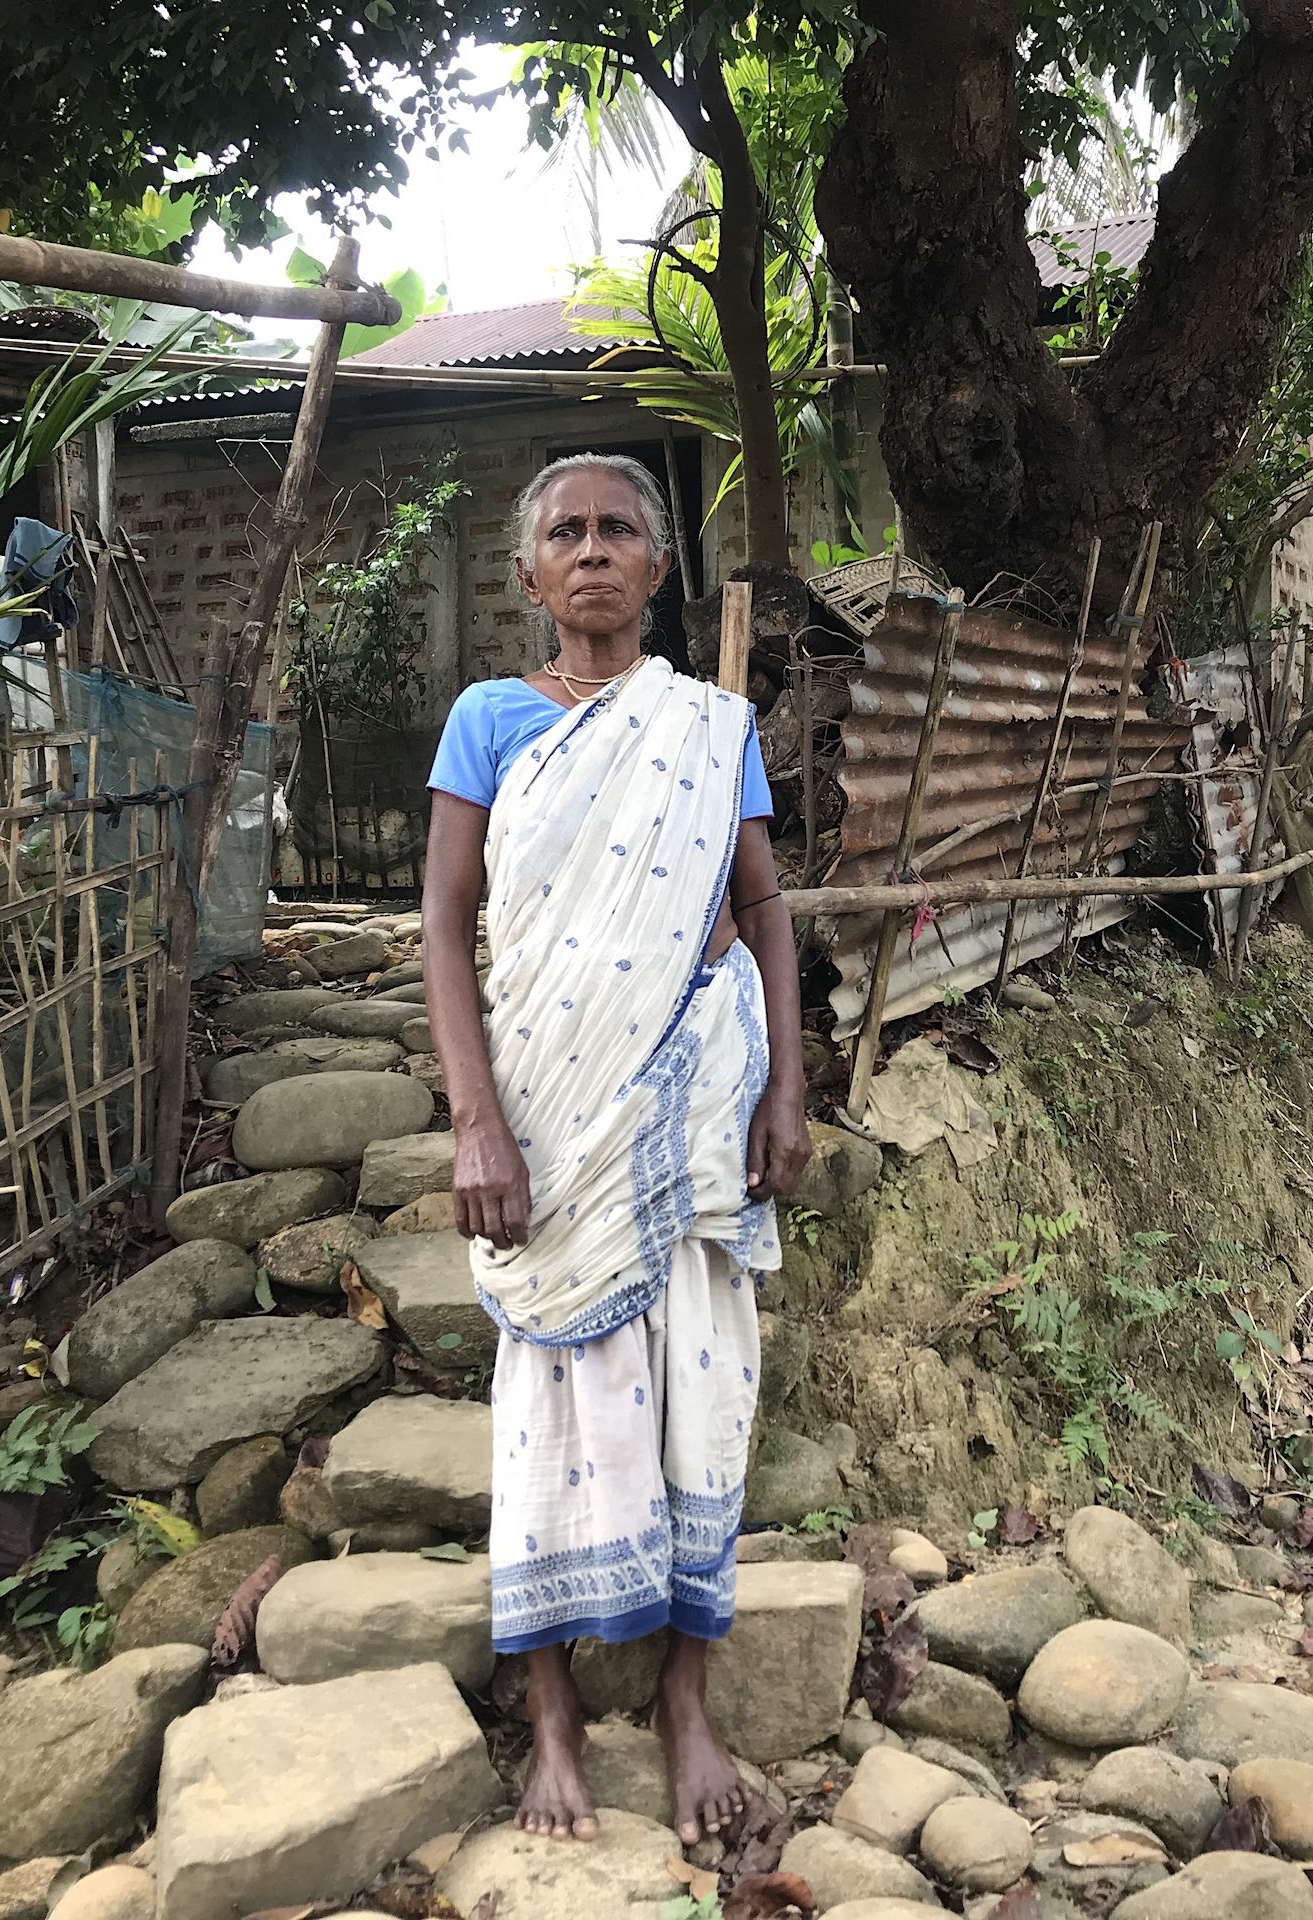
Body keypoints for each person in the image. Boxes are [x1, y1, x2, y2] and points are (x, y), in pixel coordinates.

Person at [417, 453, 811, 1850]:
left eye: (620, 531)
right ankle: (556, 1719)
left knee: (701, 1395)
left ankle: (687, 1703)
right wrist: (477, 1122)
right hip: (545, 1114)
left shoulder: (711, 728)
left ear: (658, 570)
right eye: (566, 533)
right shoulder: (487, 721)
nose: (593, 550)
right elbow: (446, 932)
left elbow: (763, 914)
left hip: (694, 1106)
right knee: (552, 1418)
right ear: (529, 575)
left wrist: (788, 1093)